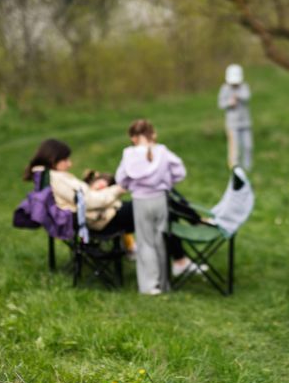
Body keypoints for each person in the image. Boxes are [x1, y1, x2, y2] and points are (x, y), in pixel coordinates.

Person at [116, 119, 186, 295]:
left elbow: (121, 178)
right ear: (152, 134)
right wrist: (167, 181)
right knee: (160, 240)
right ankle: (164, 282)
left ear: (133, 137)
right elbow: (180, 171)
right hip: (160, 199)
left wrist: (131, 186)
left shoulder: (129, 154)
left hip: (140, 201)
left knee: (145, 242)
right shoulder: (162, 151)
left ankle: (149, 285)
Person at [23, 139, 134, 235]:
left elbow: (81, 198)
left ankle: (135, 249)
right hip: (102, 218)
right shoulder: (56, 179)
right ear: (53, 160)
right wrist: (117, 189)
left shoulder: (48, 176)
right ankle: (141, 251)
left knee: (141, 207)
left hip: (99, 214)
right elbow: (88, 201)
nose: (69, 164)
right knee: (142, 208)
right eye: (66, 160)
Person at [218, 64, 253, 170]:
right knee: (234, 148)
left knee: (248, 146)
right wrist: (230, 103)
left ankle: (248, 167)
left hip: (245, 123)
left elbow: (247, 97)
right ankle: (235, 168)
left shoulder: (244, 87)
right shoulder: (224, 88)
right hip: (232, 124)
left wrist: (238, 96)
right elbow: (221, 104)